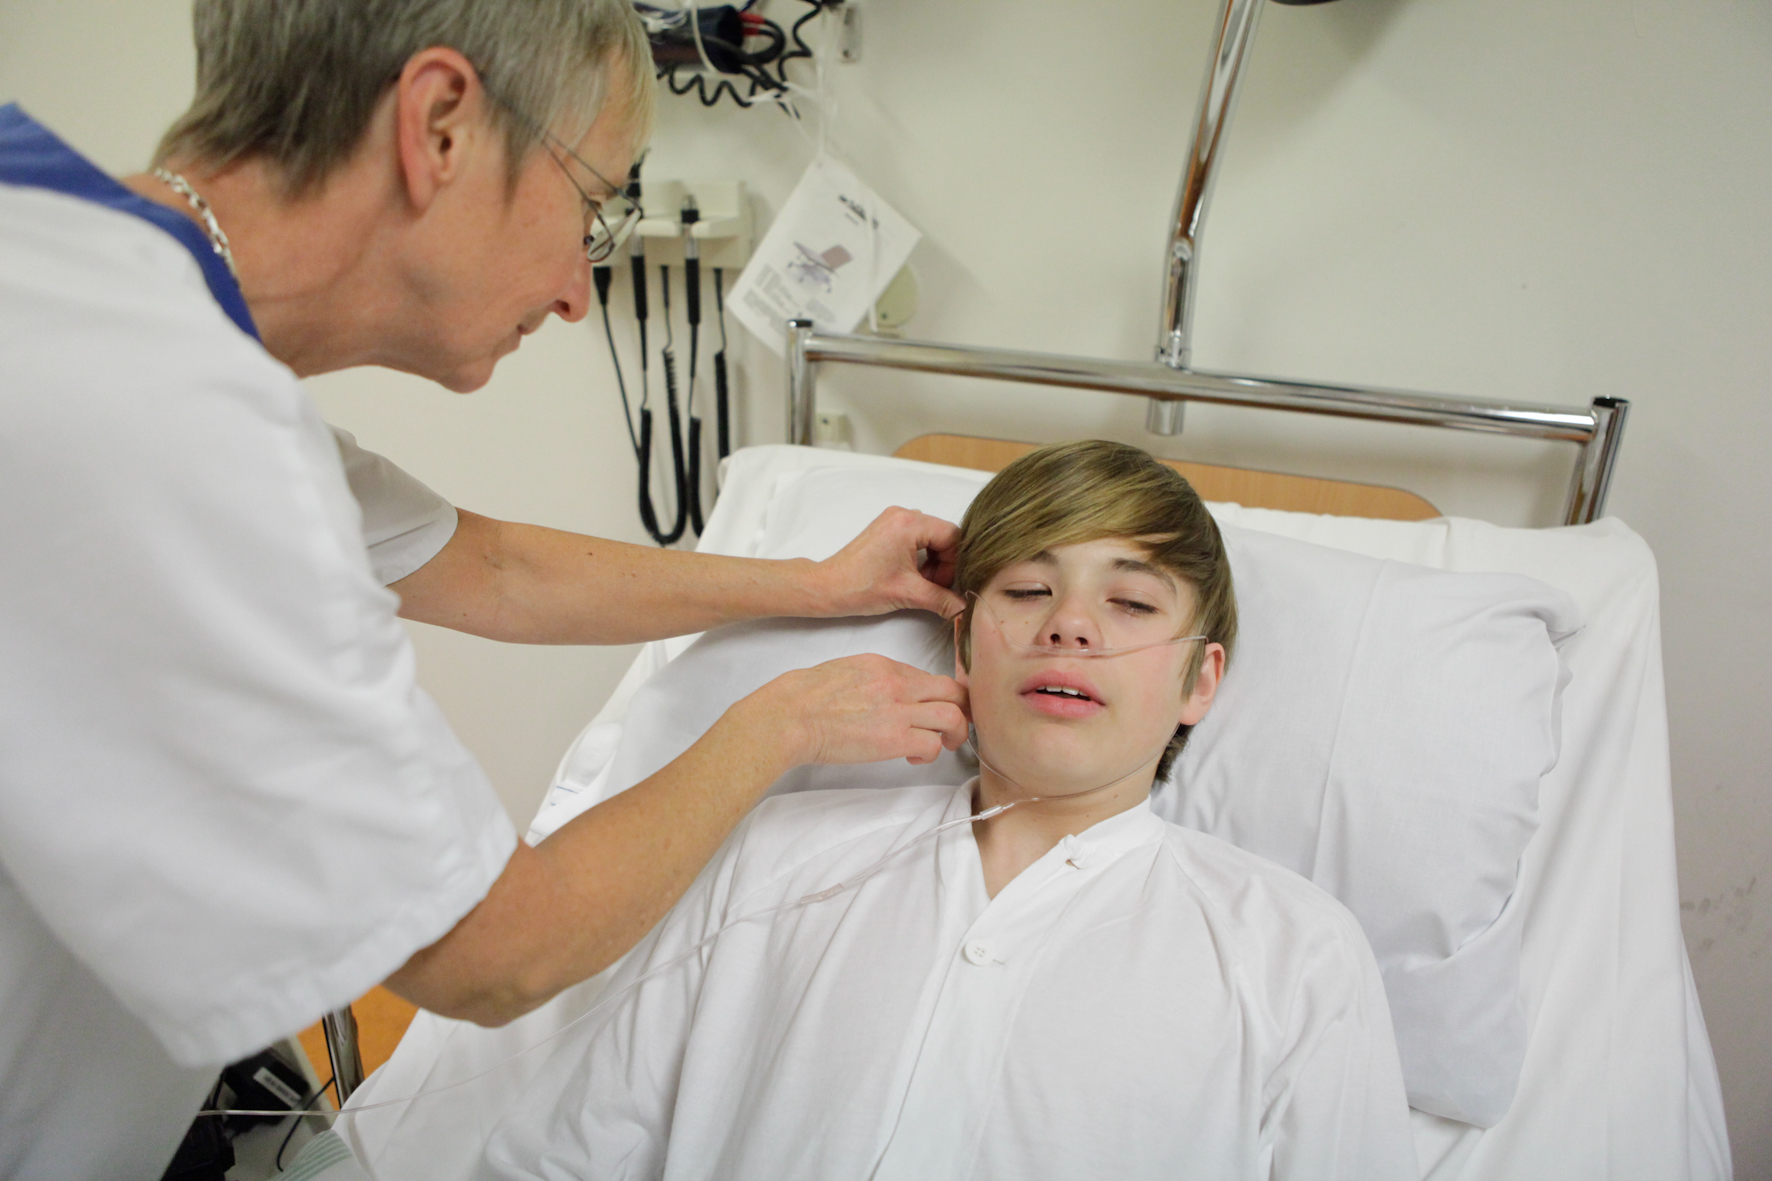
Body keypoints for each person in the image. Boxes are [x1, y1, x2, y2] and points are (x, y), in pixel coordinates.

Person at [0, 2, 967, 1176]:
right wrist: (786, 720)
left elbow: (492, 568)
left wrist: (814, 582)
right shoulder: (170, 431)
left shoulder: (65, 256)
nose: (575, 292)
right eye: (589, 202)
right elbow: (497, 953)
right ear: (440, 126)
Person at [460, 441, 1419, 1181]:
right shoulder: (772, 859)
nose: (1069, 624)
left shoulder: (1295, 954)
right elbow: (567, 1155)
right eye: (1029, 590)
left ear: (1200, 681)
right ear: (962, 648)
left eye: (1131, 603)